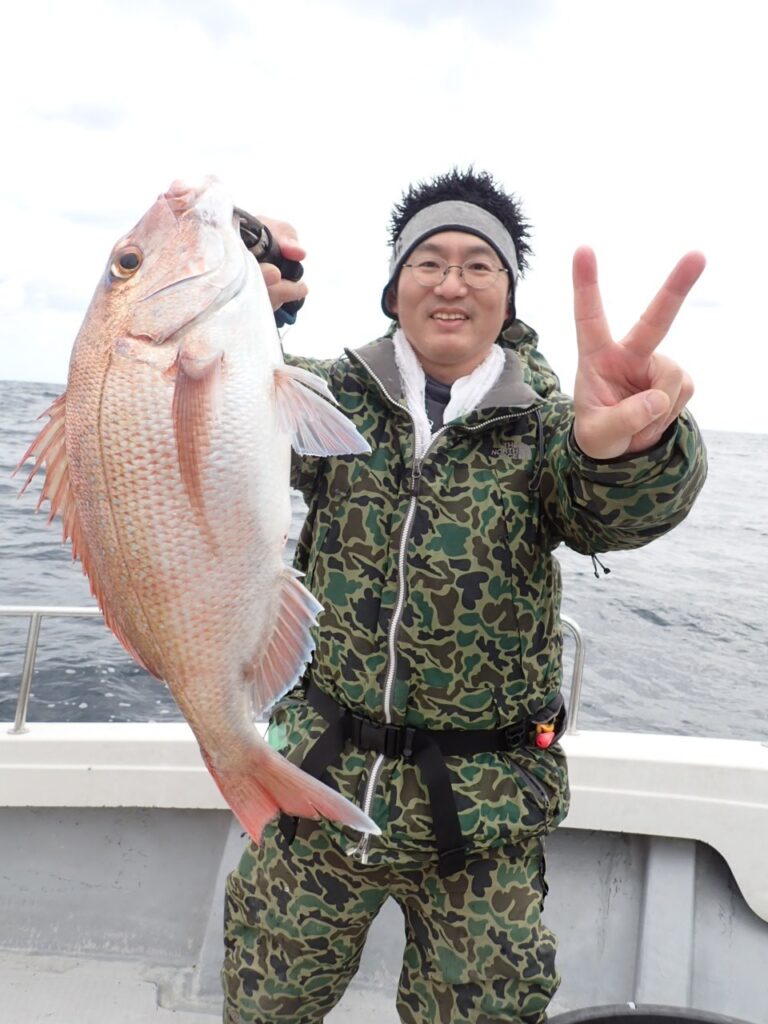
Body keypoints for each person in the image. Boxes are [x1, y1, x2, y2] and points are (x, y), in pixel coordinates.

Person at [222, 168, 707, 1024]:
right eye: (429, 262)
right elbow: (204, 402)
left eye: (479, 265)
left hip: (485, 815)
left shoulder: (552, 426)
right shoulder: (326, 397)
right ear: (394, 286)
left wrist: (634, 449)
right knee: (264, 1005)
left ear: (508, 295)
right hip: (319, 784)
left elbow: (611, 513)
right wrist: (230, 283)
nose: (451, 283)